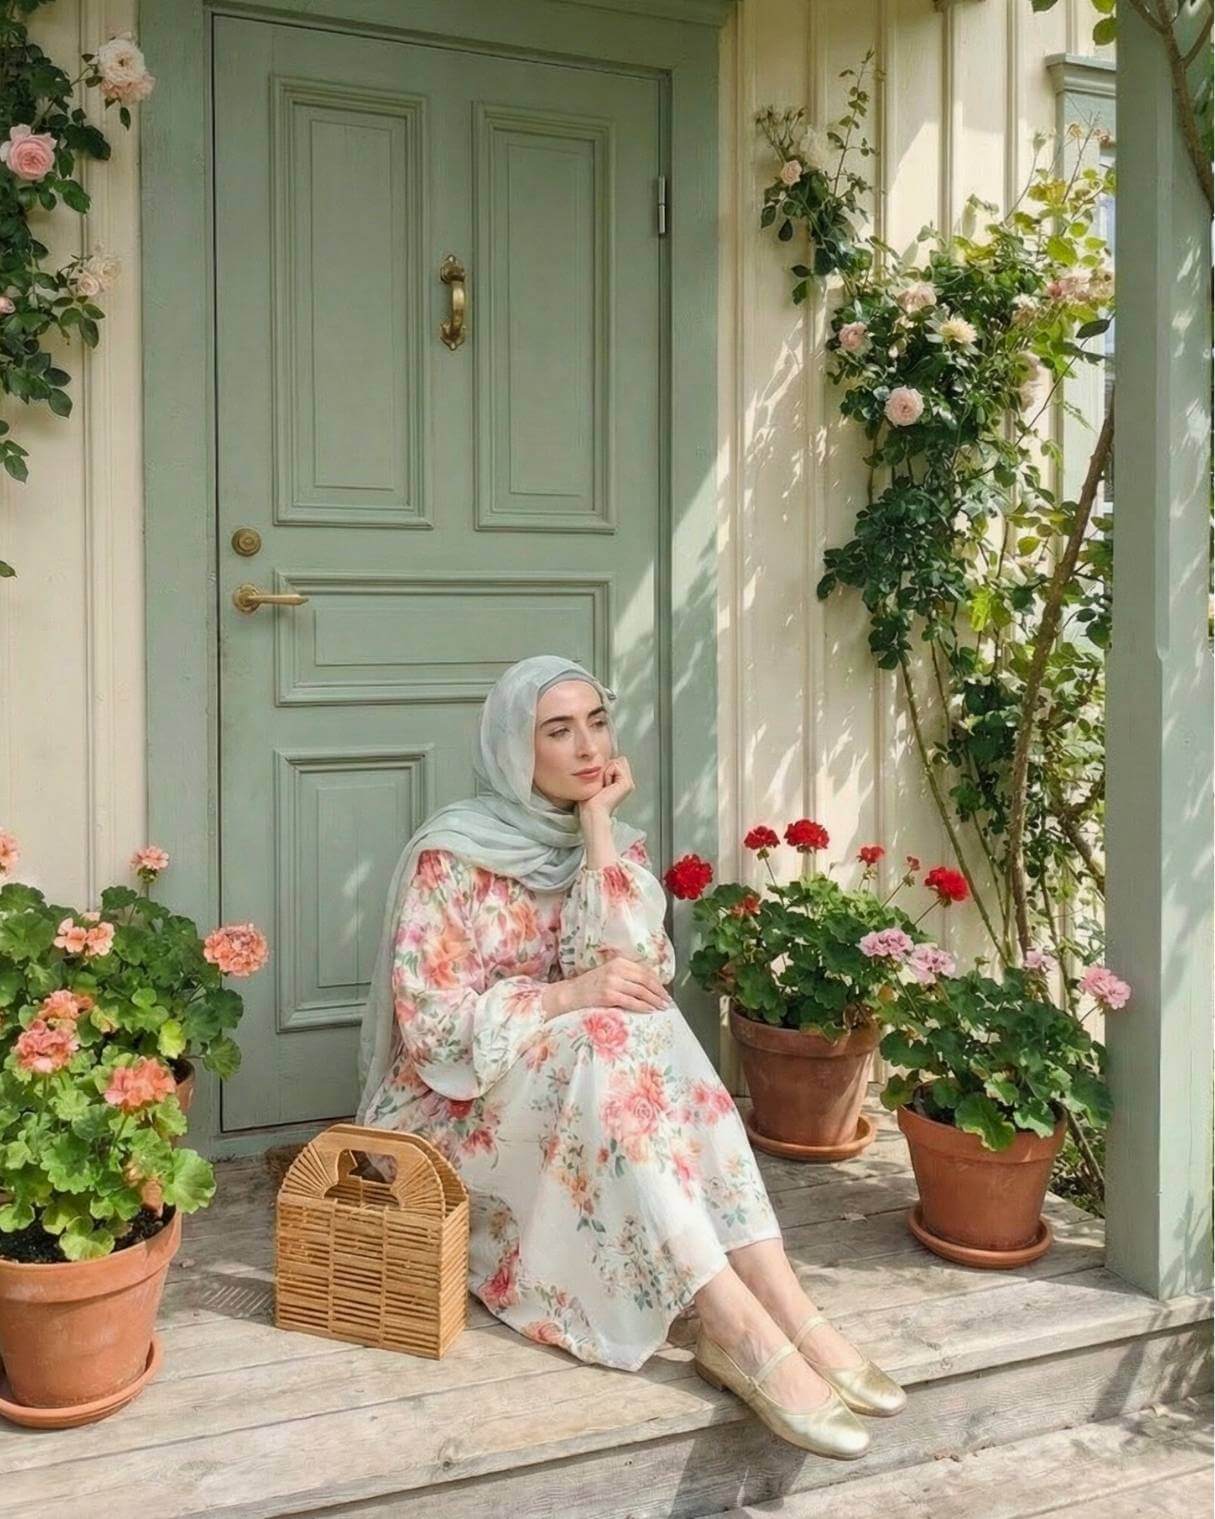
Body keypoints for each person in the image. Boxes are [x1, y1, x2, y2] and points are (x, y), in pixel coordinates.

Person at [356, 655, 905, 1457]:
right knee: (609, 1029)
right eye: (557, 729)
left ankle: (782, 1300)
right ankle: (732, 1321)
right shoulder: (453, 855)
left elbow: (632, 971)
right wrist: (563, 998)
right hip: (455, 1107)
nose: (587, 746)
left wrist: (597, 830)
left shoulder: (612, 846)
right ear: (514, 747)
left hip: (585, 1088)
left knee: (637, 1020)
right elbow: (433, 1029)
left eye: (597, 721)